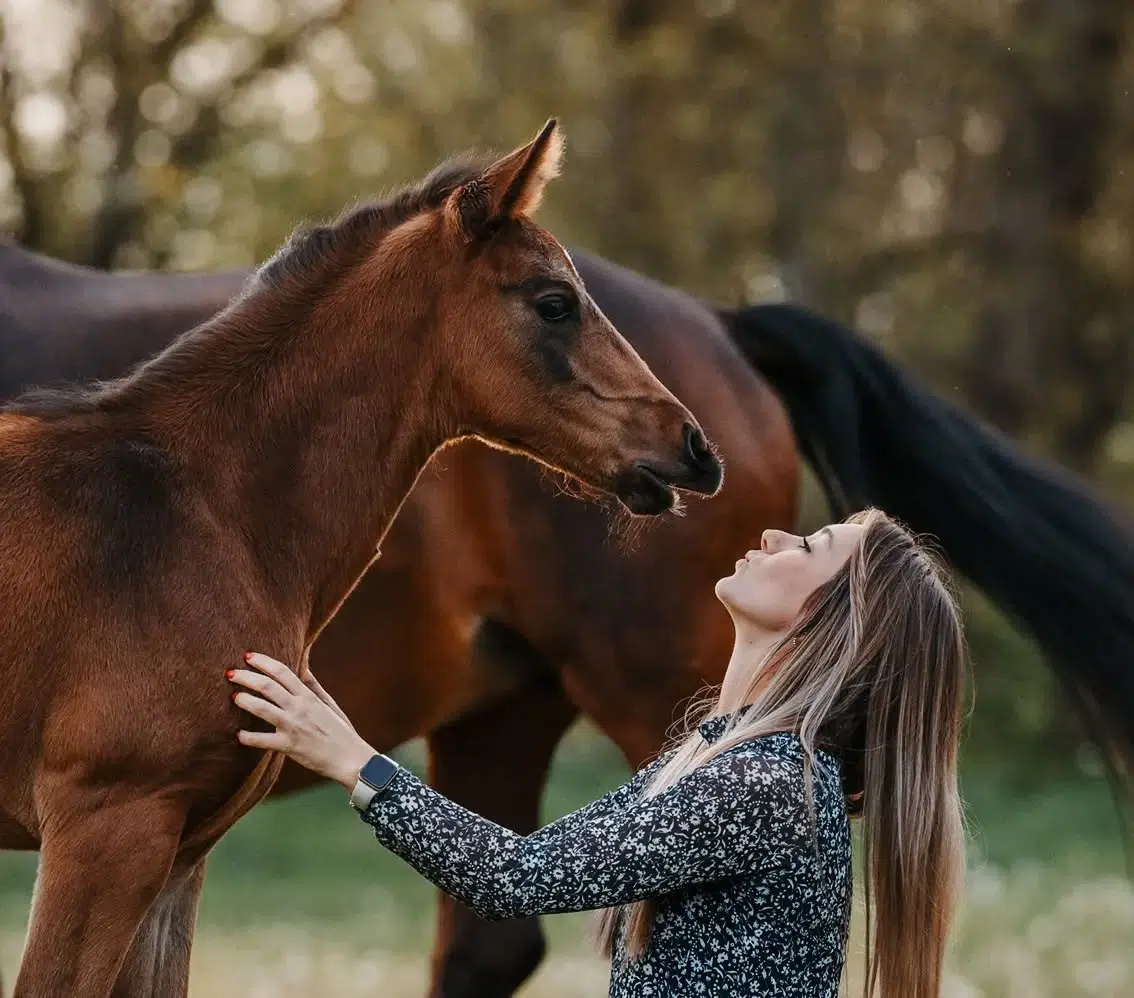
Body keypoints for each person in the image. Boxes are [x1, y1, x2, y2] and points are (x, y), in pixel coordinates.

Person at [227, 507, 966, 997]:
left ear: (830, 622)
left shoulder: (768, 784)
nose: (776, 537)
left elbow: (515, 877)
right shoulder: (726, 760)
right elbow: (527, 864)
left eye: (809, 547)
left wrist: (356, 763)